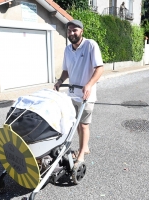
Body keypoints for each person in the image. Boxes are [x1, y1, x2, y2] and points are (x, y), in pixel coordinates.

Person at [54, 19, 104, 168]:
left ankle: (81, 154)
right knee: (76, 123)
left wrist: (89, 85)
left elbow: (99, 68)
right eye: (69, 30)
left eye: (75, 30)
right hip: (72, 94)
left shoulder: (90, 45)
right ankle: (85, 147)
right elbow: (66, 70)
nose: (71, 33)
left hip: (86, 95)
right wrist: (59, 81)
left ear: (81, 31)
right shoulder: (67, 49)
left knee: (83, 125)